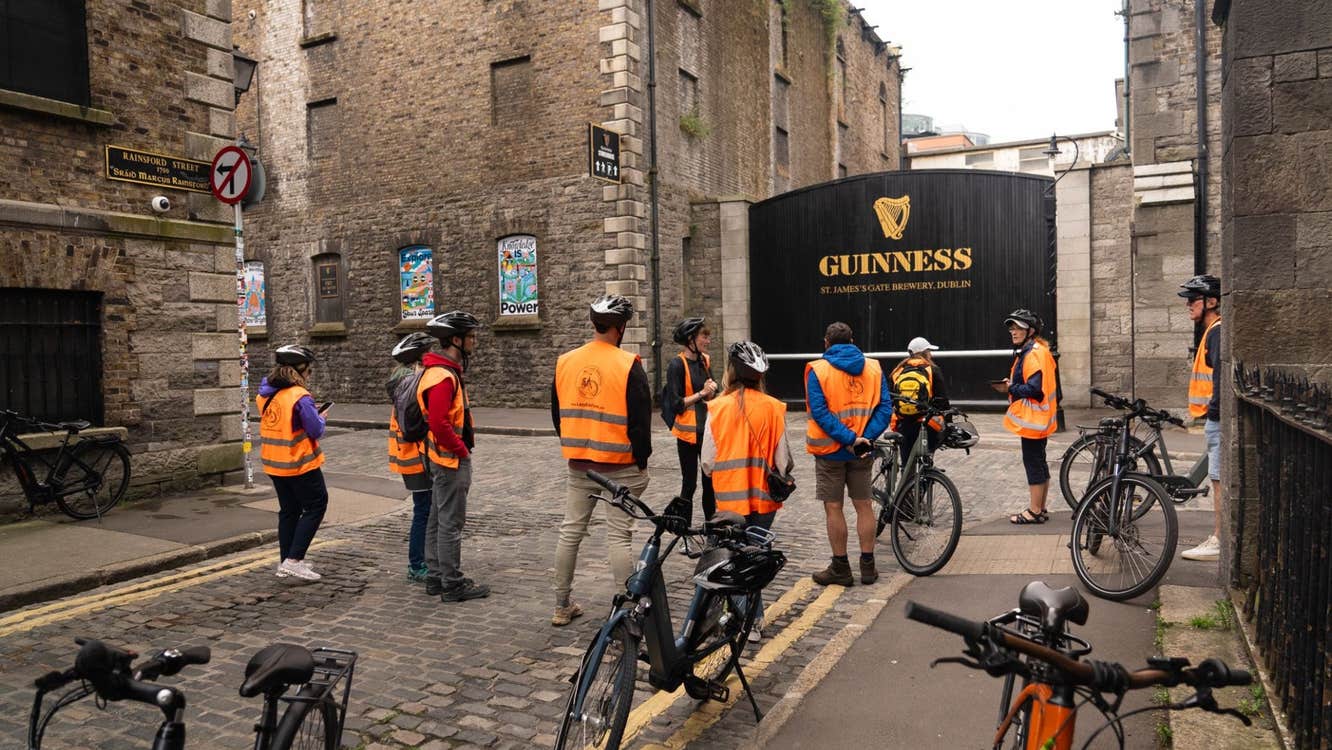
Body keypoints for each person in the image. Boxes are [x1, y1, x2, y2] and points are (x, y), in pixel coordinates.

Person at [550, 294, 653, 626]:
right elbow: (640, 421)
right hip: (620, 465)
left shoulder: (565, 361)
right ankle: (628, 609)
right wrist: (642, 461)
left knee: (571, 531)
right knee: (619, 536)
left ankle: (561, 604)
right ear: (620, 328)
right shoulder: (628, 364)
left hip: (580, 464)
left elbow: (557, 413)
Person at [701, 340, 793, 642]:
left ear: (731, 371)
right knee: (755, 557)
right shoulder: (774, 408)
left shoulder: (717, 408)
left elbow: (707, 462)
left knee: (730, 558)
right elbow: (782, 462)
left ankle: (739, 619)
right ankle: (754, 621)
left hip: (729, 502)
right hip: (764, 501)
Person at [805, 321, 894, 586]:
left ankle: (840, 568)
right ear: (853, 341)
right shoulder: (874, 368)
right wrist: (864, 439)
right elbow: (885, 408)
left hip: (831, 451)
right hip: (862, 452)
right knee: (864, 505)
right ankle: (868, 567)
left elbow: (820, 413)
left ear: (826, 343)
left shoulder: (818, 370)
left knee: (834, 507)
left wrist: (848, 439)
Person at [418, 311, 489, 602]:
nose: (474, 342)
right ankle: (452, 583)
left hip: (439, 457)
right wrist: (460, 450)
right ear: (456, 340)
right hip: (449, 459)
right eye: (470, 337)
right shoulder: (443, 377)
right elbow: (438, 422)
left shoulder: (440, 371)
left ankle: (435, 576)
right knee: (450, 521)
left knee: (437, 517)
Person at [257, 344, 328, 581]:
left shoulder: (265, 394)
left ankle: (286, 559)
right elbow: (315, 430)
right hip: (298, 463)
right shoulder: (300, 396)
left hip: (274, 464)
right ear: (300, 370)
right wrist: (320, 417)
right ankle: (295, 560)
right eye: (309, 371)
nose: (309, 376)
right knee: (317, 505)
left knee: (289, 510)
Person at [1178, 275, 1223, 561]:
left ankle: (1219, 540)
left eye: (1193, 299)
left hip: (1217, 419)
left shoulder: (1217, 331)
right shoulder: (1212, 331)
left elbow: (1220, 373)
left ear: (1212, 301)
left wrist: (1215, 411)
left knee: (1219, 479)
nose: (1188, 305)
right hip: (1212, 417)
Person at [1002, 309, 1059, 525]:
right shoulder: (1038, 350)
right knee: (1040, 461)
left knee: (1033, 462)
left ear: (1031, 330)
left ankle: (1034, 511)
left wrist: (1011, 387)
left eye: (1018, 327)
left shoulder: (1033, 353)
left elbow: (1034, 389)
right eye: (1012, 327)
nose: (1013, 332)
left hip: (1033, 419)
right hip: (1040, 418)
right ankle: (1041, 508)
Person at [387, 332, 434, 583]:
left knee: (425, 508)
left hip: (408, 454)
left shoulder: (401, 381)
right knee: (424, 510)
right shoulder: (412, 384)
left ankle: (424, 560)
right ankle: (417, 564)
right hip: (417, 455)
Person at [662, 317, 719, 524]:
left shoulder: (705, 360)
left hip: (706, 432)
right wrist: (702, 393)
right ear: (690, 339)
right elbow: (676, 403)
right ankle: (684, 531)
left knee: (709, 482)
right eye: (704, 336)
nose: (708, 340)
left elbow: (712, 395)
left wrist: (711, 392)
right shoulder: (677, 365)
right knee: (689, 484)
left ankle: (711, 530)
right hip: (687, 435)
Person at [888, 337, 950, 465]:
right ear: (924, 353)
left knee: (907, 462)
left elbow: (891, 398)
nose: (931, 354)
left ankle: (906, 481)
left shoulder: (897, 371)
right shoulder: (932, 370)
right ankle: (925, 476)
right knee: (926, 461)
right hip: (926, 423)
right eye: (929, 351)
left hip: (903, 423)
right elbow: (943, 402)